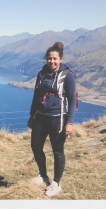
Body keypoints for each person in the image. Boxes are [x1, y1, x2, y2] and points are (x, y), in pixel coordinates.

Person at [27, 41, 76, 197]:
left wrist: (69, 122)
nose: (52, 61)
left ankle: (56, 183)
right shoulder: (42, 74)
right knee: (35, 146)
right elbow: (36, 96)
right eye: (49, 58)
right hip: (40, 117)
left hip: (58, 118)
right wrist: (32, 115)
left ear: (60, 59)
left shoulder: (67, 75)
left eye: (55, 59)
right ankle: (43, 175)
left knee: (58, 151)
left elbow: (72, 100)